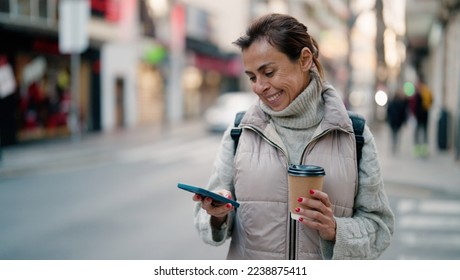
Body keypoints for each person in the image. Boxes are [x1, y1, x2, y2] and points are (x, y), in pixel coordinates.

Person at [193, 13, 394, 260]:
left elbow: (379, 227)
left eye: (268, 72)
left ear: (305, 59)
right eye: (252, 77)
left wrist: (335, 230)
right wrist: (217, 214)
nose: (259, 87)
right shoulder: (239, 131)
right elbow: (205, 221)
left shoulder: (354, 134)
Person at [409, 78, 432, 157]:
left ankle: (418, 151)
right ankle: (423, 151)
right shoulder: (427, 91)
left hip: (419, 116)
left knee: (417, 133)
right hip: (425, 115)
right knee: (424, 133)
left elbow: (413, 105)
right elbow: (431, 101)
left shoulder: (417, 94)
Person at [386, 90, 409, 154]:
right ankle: (395, 145)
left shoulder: (393, 103)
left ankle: (394, 145)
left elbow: (388, 112)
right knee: (397, 134)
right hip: (397, 122)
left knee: (394, 134)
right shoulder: (401, 104)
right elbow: (404, 114)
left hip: (393, 122)